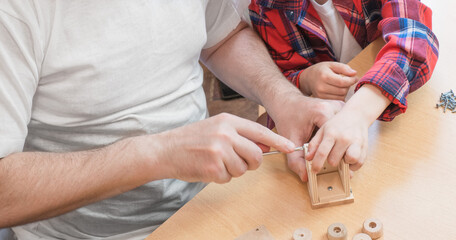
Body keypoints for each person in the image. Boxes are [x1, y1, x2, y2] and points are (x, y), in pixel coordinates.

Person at [0, 1, 344, 239]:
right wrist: (158, 154)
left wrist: (284, 100)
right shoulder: (14, 13)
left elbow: (222, 36)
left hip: (206, 205)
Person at [249, 0, 439, 175]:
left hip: (386, 119)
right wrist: (305, 79)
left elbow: (416, 37)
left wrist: (358, 114)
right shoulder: (266, 8)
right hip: (321, 118)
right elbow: (275, 83)